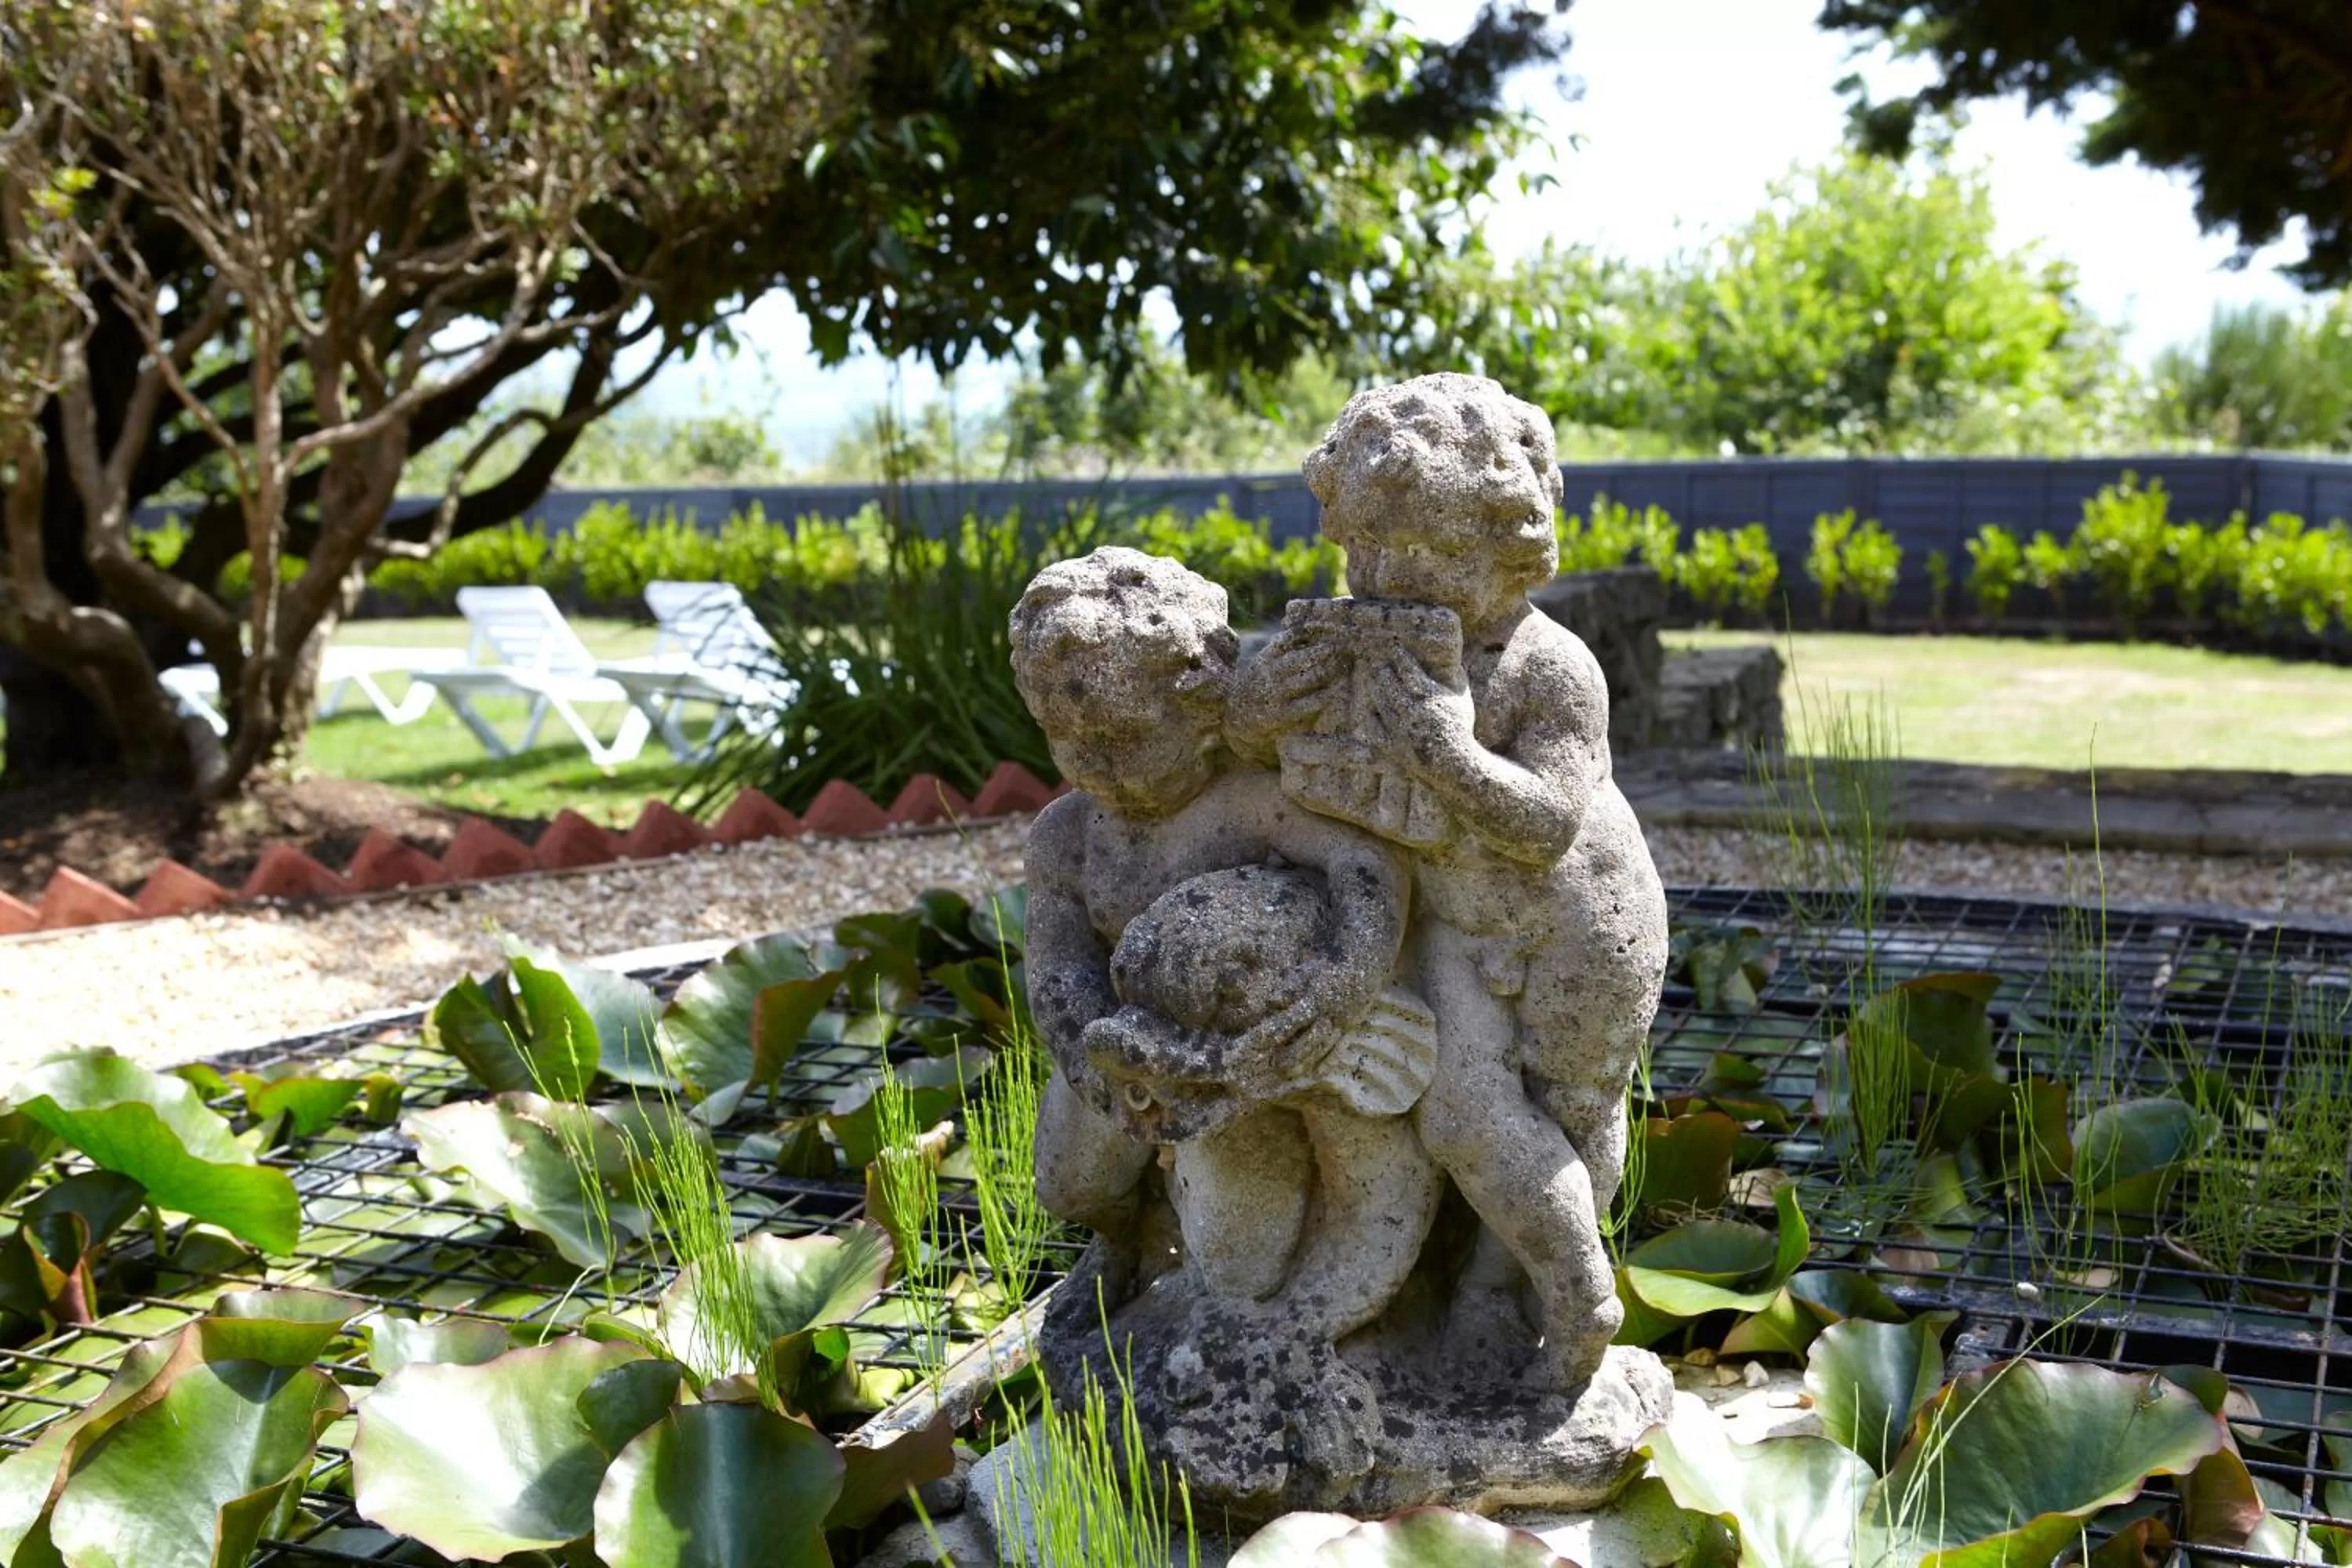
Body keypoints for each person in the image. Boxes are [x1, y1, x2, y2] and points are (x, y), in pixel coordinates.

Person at [1229, 373, 1668, 1388]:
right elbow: (1259, 773)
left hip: (1574, 923)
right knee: (1463, 1114)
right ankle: (1560, 1285)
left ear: (1511, 543)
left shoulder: (1548, 666)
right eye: (1367, 552)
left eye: (1428, 557)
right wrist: (1254, 713)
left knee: (1568, 1108)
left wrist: (1448, 753)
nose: (1387, 579)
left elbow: (1550, 822)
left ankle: (1522, 1293)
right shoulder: (1353, 639)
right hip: (1452, 927)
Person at [1012, 546, 1438, 1342]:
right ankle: (1124, 1238)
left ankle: (1251, 1286)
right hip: (1116, 1045)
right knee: (1070, 1182)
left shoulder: (1251, 801)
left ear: (1201, 705)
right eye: (1069, 739)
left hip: (1238, 1062)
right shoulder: (1068, 833)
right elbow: (1058, 962)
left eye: (1125, 734)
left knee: (1241, 1256)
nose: (1098, 763)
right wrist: (1090, 1056)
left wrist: (1348, 978)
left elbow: (1364, 866)